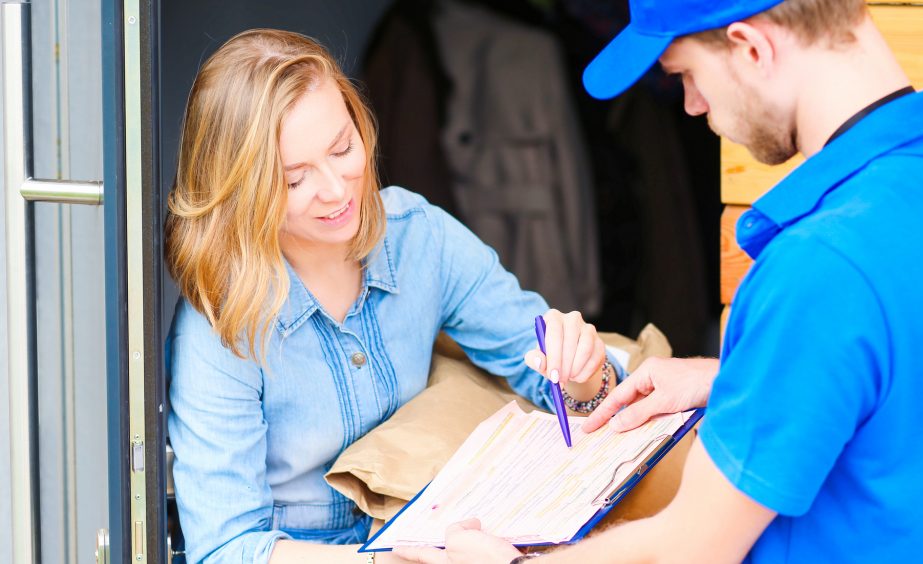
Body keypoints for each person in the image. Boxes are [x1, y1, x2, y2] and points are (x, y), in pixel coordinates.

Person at [397, 0, 923, 562]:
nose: (692, 105)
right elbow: (920, 385)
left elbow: (693, 547)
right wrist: (737, 376)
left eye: (685, 75)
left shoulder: (820, 266)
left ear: (751, 48)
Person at [164, 29, 620, 564]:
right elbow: (226, 548)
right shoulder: (217, 325)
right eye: (294, 180)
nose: (337, 190)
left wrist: (583, 376)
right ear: (238, 189)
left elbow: (545, 368)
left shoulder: (419, 237)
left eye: (342, 148)